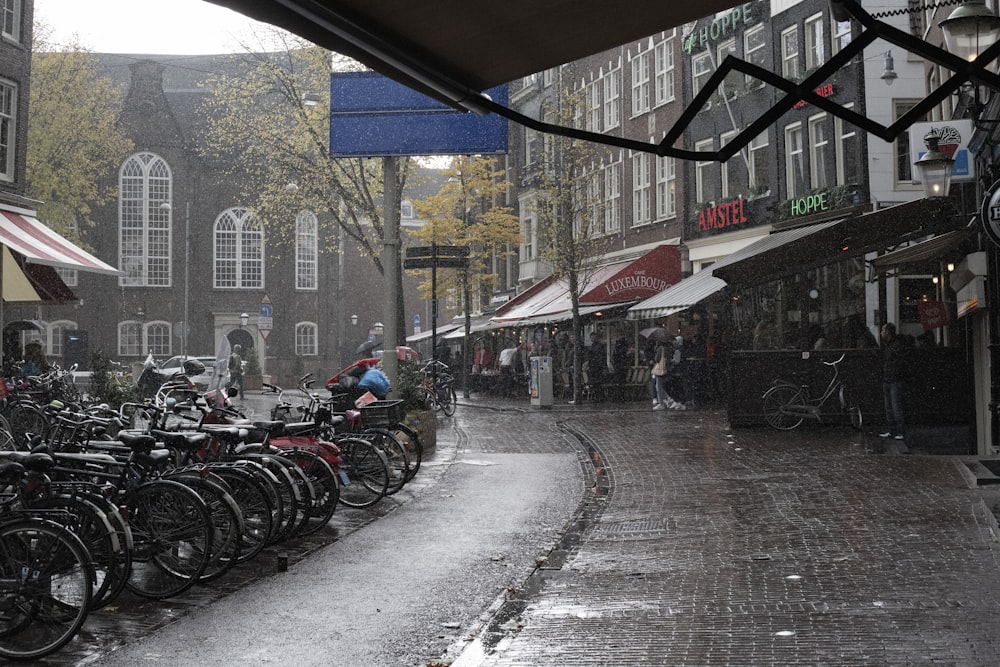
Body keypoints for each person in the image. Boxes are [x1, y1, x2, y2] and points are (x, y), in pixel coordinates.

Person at [879, 322, 907, 441]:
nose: (881, 333)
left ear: (888, 332)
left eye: (883, 330)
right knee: (891, 407)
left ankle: (898, 431)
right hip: (890, 379)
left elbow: (898, 363)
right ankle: (894, 431)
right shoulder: (892, 345)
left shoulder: (894, 346)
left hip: (893, 379)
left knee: (894, 407)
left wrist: (893, 373)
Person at [651, 336, 684, 411]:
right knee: (665, 385)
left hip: (660, 369)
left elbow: (657, 359)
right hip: (666, 369)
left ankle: (662, 402)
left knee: (659, 386)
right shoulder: (669, 348)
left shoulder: (661, 349)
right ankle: (669, 399)